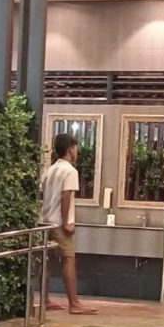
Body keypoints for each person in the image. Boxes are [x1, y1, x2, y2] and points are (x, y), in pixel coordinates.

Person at [39, 133, 97, 315]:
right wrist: (66, 223)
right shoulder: (70, 171)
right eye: (76, 148)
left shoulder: (49, 170)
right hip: (59, 222)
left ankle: (45, 300)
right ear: (71, 149)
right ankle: (74, 303)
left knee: (46, 262)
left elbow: (42, 195)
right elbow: (66, 197)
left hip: (44, 220)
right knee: (69, 259)